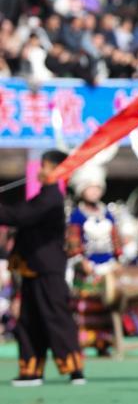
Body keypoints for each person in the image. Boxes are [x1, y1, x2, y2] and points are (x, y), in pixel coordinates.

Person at [3, 150, 85, 386]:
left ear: (58, 170)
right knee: (29, 320)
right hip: (32, 267)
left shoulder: (51, 198)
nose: (40, 171)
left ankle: (74, 369)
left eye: (45, 166)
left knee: (56, 316)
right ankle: (31, 370)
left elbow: (21, 215)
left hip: (48, 268)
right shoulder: (44, 197)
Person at [67, 163, 121, 356]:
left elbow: (116, 240)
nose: (94, 191)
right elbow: (73, 241)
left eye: (97, 187)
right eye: (90, 187)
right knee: (86, 307)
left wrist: (117, 260)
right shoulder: (77, 215)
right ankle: (83, 342)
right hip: (87, 267)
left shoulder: (107, 213)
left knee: (107, 306)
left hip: (108, 267)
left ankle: (104, 343)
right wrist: (82, 261)